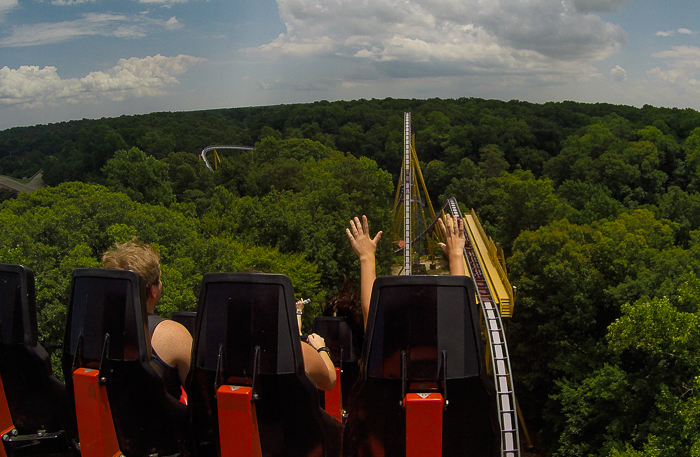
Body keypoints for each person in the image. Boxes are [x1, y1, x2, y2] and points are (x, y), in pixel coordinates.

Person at [102, 240, 192, 400]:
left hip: (102, 423)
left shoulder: (93, 330)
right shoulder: (174, 335)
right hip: (160, 424)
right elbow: (203, 403)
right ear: (153, 290)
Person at [345, 213, 467, 328]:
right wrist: (456, 255)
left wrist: (366, 256)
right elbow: (459, 308)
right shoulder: (451, 338)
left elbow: (370, 312)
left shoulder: (384, 342)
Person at [295, 297, 337, 391]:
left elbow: (297, 333)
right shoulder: (298, 351)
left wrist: (298, 311)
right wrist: (321, 348)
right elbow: (330, 381)